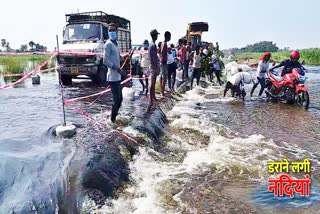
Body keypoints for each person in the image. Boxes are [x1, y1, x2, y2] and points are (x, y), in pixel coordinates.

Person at [103, 23, 123, 123]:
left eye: (113, 30)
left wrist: (126, 56)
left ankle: (114, 116)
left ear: (117, 31)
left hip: (118, 76)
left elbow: (117, 57)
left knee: (120, 99)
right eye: (110, 30)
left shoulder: (116, 44)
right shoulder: (108, 44)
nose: (111, 32)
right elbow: (105, 61)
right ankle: (112, 121)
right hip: (112, 77)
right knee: (116, 100)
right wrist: (116, 68)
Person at [148, 29, 160, 104]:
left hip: (153, 65)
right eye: (156, 35)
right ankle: (151, 98)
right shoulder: (153, 45)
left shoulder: (151, 44)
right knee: (152, 83)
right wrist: (156, 66)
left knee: (154, 82)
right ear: (154, 36)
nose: (157, 36)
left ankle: (153, 96)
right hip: (153, 66)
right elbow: (153, 58)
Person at [159, 31, 171, 96]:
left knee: (162, 77)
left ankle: (162, 90)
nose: (170, 38)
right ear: (167, 36)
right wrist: (164, 60)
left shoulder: (162, 43)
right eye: (170, 36)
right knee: (164, 77)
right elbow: (162, 52)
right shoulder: (165, 43)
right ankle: (162, 92)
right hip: (163, 62)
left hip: (162, 62)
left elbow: (159, 51)